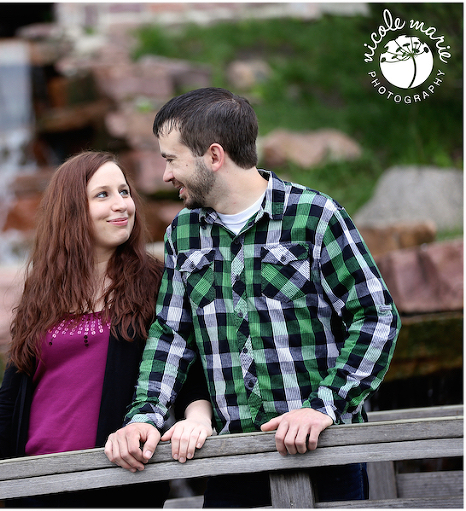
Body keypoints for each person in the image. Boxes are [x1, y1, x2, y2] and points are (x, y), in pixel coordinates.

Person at [104, 88, 400, 507]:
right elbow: (172, 337)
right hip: (232, 458)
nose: (166, 175)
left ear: (213, 155)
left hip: (327, 451)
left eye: (171, 159)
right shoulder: (183, 234)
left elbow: (375, 317)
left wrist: (323, 407)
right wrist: (144, 417)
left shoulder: (314, 217)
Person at [0, 151, 213, 507]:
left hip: (114, 479)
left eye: (124, 192)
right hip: (35, 482)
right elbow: (9, 401)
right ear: (72, 210)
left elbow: (184, 368)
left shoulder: (154, 282)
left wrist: (197, 419)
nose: (121, 204)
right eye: (103, 195)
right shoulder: (44, 291)